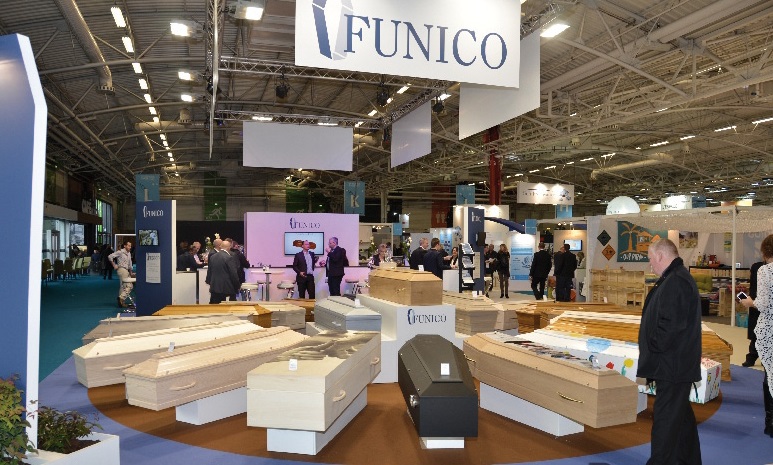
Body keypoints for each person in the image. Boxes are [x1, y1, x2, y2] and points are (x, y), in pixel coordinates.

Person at [637, 238, 703, 464]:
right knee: (681, 419)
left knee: (665, 420)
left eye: (650, 259)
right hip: (674, 364)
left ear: (660, 256)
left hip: (672, 366)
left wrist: (653, 346)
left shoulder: (676, 281)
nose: (650, 264)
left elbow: (670, 326)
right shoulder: (674, 278)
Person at [739, 234, 773, 437]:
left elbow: (763, 303)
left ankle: (771, 423)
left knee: (770, 375)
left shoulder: (765, 270)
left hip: (770, 329)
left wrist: (749, 302)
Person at [742, 260, 764, 367]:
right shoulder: (756, 267)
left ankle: (761, 357)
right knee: (755, 329)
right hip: (755, 301)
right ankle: (752, 356)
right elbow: (753, 287)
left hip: (766, 304)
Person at [205, 239, 240, 304]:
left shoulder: (213, 257)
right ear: (229, 247)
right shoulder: (229, 258)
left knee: (214, 307)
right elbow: (233, 274)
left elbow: (209, 271)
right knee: (226, 308)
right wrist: (237, 286)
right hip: (226, 288)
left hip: (214, 287)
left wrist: (209, 282)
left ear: (221, 246)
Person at [108, 241, 133, 308]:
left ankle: (121, 302)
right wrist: (114, 265)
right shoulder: (120, 252)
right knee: (129, 286)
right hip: (121, 270)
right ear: (124, 246)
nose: (130, 247)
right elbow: (110, 256)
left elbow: (130, 264)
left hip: (126, 271)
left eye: (130, 246)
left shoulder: (129, 253)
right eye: (129, 246)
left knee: (123, 286)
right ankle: (121, 298)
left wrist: (131, 272)